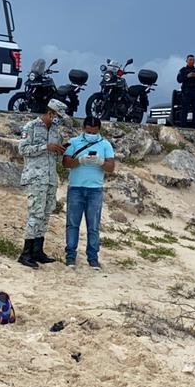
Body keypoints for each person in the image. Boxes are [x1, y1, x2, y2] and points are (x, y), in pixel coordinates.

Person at [16, 98, 72, 269]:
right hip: (36, 178)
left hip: (50, 179)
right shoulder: (30, 127)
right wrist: (45, 147)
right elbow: (23, 150)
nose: (58, 120)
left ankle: (37, 250)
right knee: (35, 214)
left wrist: (60, 149)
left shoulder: (55, 131)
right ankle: (25, 254)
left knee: (46, 214)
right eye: (57, 116)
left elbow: (54, 153)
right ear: (50, 112)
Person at [62, 114, 116, 270]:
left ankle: (93, 257)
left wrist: (100, 162)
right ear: (83, 129)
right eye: (89, 131)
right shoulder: (74, 142)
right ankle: (70, 256)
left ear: (99, 130)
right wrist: (79, 160)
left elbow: (111, 167)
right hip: (76, 188)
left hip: (95, 190)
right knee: (72, 224)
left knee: (93, 225)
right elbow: (66, 163)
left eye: (94, 132)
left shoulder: (105, 144)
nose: (91, 135)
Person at [175, 54, 195, 127]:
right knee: (185, 109)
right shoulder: (183, 70)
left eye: (193, 60)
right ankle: (183, 125)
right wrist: (187, 76)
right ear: (187, 61)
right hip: (186, 92)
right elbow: (179, 80)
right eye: (190, 60)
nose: (192, 61)